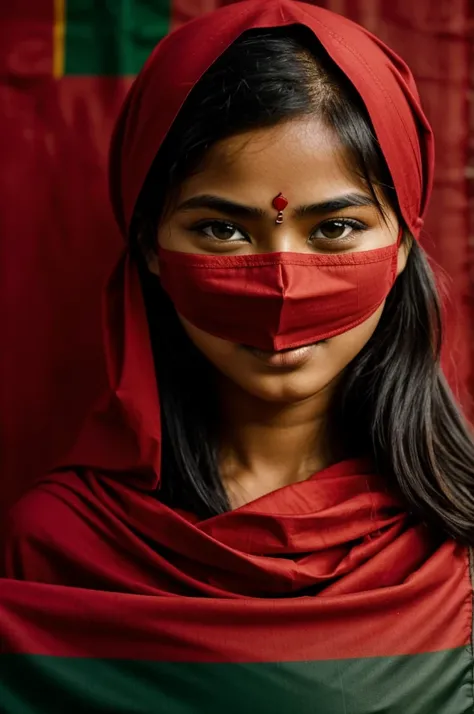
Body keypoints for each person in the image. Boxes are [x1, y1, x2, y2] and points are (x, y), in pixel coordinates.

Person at [2, 1, 474, 712]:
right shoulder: (54, 549)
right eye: (222, 229)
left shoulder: (459, 552)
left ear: (405, 243)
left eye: (337, 228)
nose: (281, 285)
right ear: (150, 248)